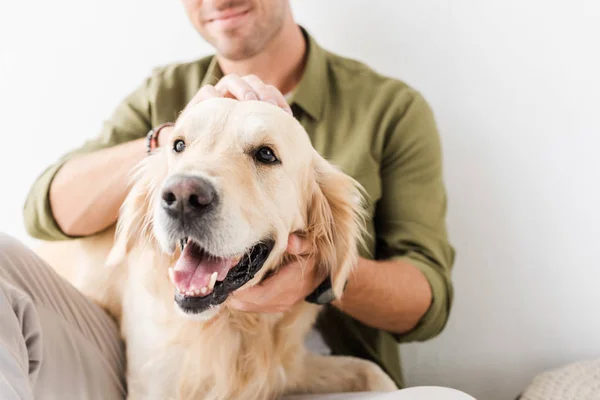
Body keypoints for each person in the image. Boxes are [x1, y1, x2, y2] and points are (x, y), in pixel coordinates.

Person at [1, 0, 456, 398]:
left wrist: (320, 275)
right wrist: (168, 141)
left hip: (299, 370)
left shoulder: (389, 109)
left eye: (263, 154)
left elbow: (426, 305)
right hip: (123, 362)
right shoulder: (163, 93)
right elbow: (44, 209)